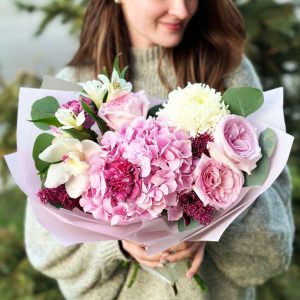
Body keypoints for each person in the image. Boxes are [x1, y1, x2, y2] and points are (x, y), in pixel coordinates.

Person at [25, 0, 294, 299]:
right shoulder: (75, 89)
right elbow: (43, 247)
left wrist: (213, 228)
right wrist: (115, 243)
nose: (181, 9)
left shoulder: (229, 72)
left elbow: (275, 249)